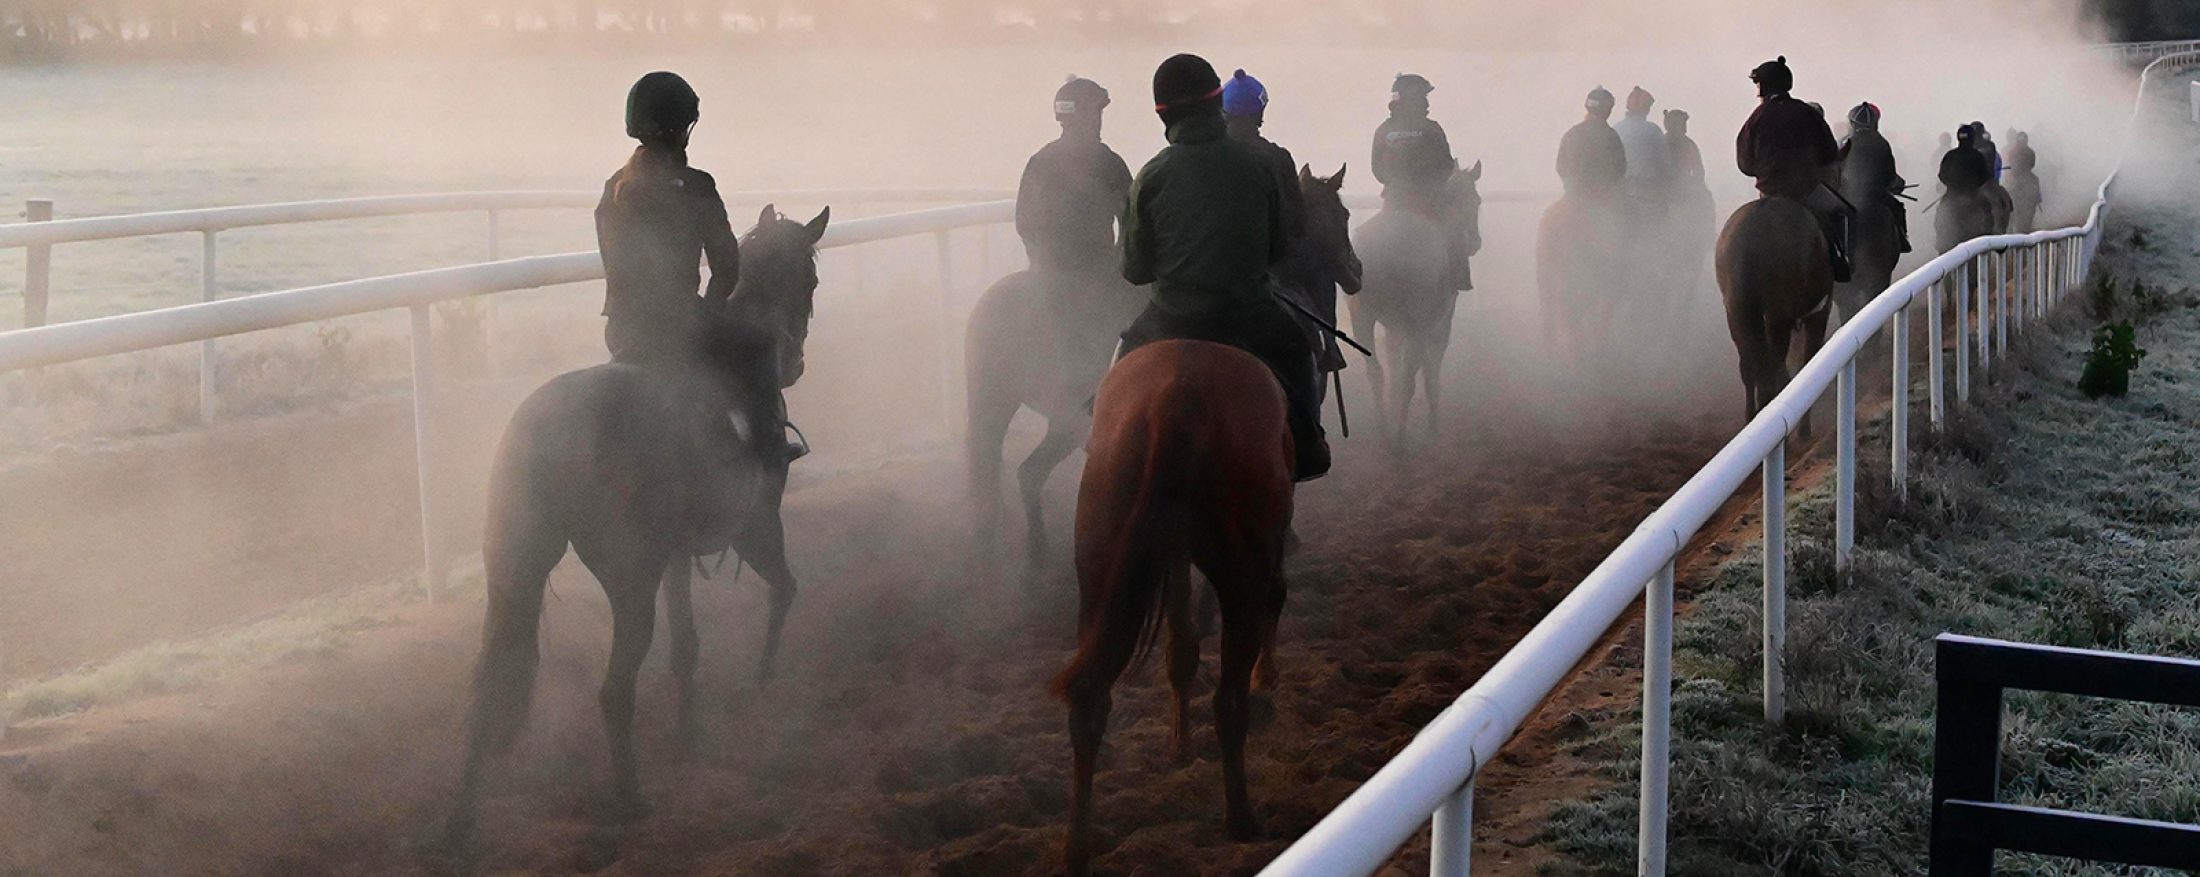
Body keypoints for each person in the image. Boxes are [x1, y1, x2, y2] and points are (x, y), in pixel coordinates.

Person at [1119, 53, 1329, 481]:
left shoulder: (1150, 175)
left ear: (1163, 114)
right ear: (1216, 104)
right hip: (1247, 312)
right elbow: (1280, 246)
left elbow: (1135, 269)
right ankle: (1307, 441)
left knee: (1122, 361)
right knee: (1297, 349)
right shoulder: (1260, 164)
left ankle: (1103, 442)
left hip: (1169, 319)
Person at [596, 71, 795, 463]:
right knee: (759, 345)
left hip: (622, 330)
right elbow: (727, 269)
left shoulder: (613, 188)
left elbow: (614, 263)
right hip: (680, 329)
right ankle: (769, 446)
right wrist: (706, 311)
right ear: (683, 129)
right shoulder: (699, 186)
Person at [1735, 56, 1851, 282]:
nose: (1757, 89)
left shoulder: (1755, 119)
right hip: (1806, 191)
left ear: (1764, 87)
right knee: (1844, 212)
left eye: (1758, 84)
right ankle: (1840, 259)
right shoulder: (1805, 112)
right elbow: (1829, 153)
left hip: (1768, 193)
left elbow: (1745, 165)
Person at [1016, 76, 1134, 277]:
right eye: (1097, 112)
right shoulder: (1109, 163)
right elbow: (1131, 221)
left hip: (1048, 275)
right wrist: (1117, 265)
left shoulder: (1039, 162)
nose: (1099, 120)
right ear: (1088, 115)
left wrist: (1041, 265)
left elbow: (1024, 223)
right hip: (1099, 274)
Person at [1372, 72, 1472, 290]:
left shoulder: (1383, 130)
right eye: (1423, 98)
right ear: (1411, 100)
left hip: (1392, 205)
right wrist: (1427, 184)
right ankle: (1458, 279)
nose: (1427, 104)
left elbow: (1377, 170)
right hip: (1428, 205)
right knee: (1454, 232)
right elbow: (1446, 167)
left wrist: (1398, 183)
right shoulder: (1432, 129)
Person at [1223, 68, 1306, 251]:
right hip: (1262, 268)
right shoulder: (1279, 159)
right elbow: (1298, 224)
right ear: (1259, 112)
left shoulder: (1203, 156)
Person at [1839, 101, 1912, 253]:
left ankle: (1838, 251)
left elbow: (1837, 170)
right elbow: (1889, 174)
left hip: (1849, 198)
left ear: (1853, 123)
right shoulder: (1882, 143)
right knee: (1897, 208)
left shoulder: (1845, 143)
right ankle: (1902, 240)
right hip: (1876, 196)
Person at [1557, 86, 1628, 202]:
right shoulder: (1611, 136)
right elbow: (1620, 169)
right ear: (1608, 109)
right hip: (1603, 200)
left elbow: (1560, 166)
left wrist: (1572, 188)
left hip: (1573, 197)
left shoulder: (1571, 133)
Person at [1615, 86, 1671, 209]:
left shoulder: (1616, 129)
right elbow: (1665, 164)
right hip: (1647, 193)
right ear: (1645, 108)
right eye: (1648, 107)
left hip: (1621, 191)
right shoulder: (1653, 131)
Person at [1664, 108, 1704, 185]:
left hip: (1685, 187)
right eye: (1682, 123)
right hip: (1667, 187)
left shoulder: (1689, 145)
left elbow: (1698, 171)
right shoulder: (1662, 144)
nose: (1685, 127)